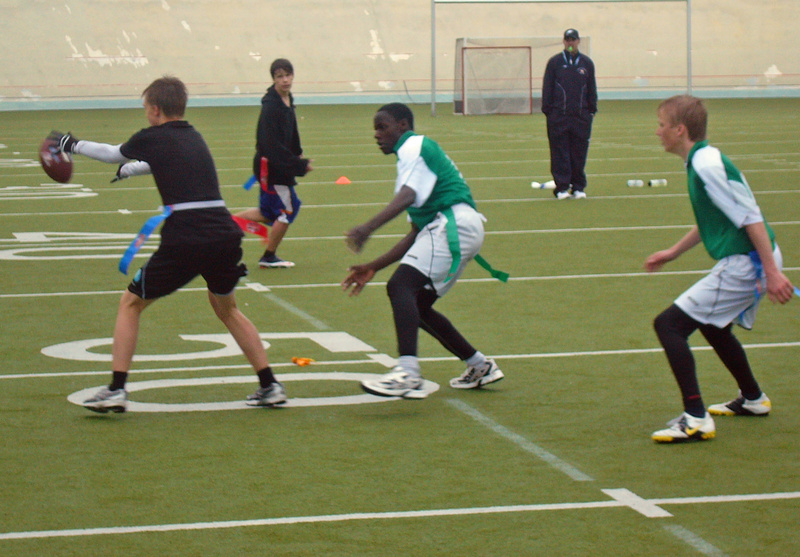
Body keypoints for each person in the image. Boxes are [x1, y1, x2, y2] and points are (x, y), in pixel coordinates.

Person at [50, 76, 287, 413]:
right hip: (223, 233)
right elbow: (166, 162)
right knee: (227, 309)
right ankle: (270, 385)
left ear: (156, 109)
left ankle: (116, 389)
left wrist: (69, 143)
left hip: (188, 235)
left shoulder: (152, 136)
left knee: (131, 303)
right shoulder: (193, 135)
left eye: (146, 108)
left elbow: (111, 154)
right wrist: (131, 171)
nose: (146, 114)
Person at [646, 95, 795, 443]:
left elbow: (751, 217)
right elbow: (719, 218)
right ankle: (753, 398)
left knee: (669, 325)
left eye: (662, 125)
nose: (657, 132)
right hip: (753, 260)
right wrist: (673, 253)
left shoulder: (706, 166)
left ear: (680, 130)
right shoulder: (701, 161)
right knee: (713, 325)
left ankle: (696, 419)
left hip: (748, 263)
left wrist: (772, 273)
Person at [341, 103, 504, 399]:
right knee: (418, 305)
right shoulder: (412, 158)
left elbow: (408, 196)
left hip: (453, 225)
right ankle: (480, 365)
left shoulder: (413, 146)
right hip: (456, 226)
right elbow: (416, 233)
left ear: (403, 125)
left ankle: (407, 373)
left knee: (400, 286)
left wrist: (367, 228)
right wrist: (374, 266)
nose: (377, 135)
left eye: (382, 127)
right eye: (375, 129)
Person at [235, 58, 312, 268]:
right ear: (274, 79)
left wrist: (297, 153)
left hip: (276, 166)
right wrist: (298, 165)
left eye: (288, 75)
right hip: (271, 168)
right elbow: (270, 145)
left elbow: (291, 130)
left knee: (268, 212)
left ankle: (226, 224)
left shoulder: (286, 98)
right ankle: (268, 256)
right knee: (288, 210)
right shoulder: (271, 107)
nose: (285, 80)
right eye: (280, 76)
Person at [541, 28, 597, 200]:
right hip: (559, 116)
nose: (570, 43)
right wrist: (549, 111)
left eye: (573, 40)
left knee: (579, 152)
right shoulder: (555, 62)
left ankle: (578, 187)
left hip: (581, 117)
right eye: (568, 40)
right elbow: (547, 87)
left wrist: (591, 110)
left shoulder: (586, 63)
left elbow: (591, 88)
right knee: (559, 152)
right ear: (564, 42)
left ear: (578, 41)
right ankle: (562, 187)